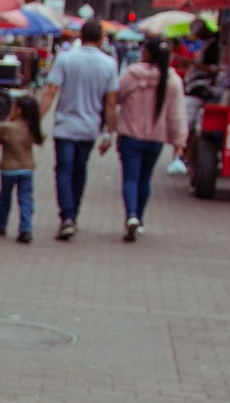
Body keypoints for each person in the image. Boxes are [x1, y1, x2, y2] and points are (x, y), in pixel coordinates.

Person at [40, 16, 117, 239]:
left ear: (80, 36)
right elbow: (110, 103)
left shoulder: (65, 59)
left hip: (64, 126)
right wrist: (110, 133)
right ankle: (74, 214)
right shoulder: (109, 64)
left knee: (63, 170)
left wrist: (35, 121)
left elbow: (50, 92)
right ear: (102, 39)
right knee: (80, 171)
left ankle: (67, 216)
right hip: (89, 128)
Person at [115, 33, 187, 241]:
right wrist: (178, 142)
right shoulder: (172, 81)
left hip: (130, 136)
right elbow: (177, 114)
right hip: (156, 139)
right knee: (145, 179)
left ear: (147, 52)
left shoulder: (132, 75)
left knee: (130, 178)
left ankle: (131, 216)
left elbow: (116, 97)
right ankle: (140, 219)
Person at [0, 92, 43, 243]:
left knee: (4, 197)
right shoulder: (32, 128)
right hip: (27, 169)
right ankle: (25, 229)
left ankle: (1, 224)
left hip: (8, 169)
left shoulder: (7, 127)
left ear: (18, 110)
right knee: (25, 199)